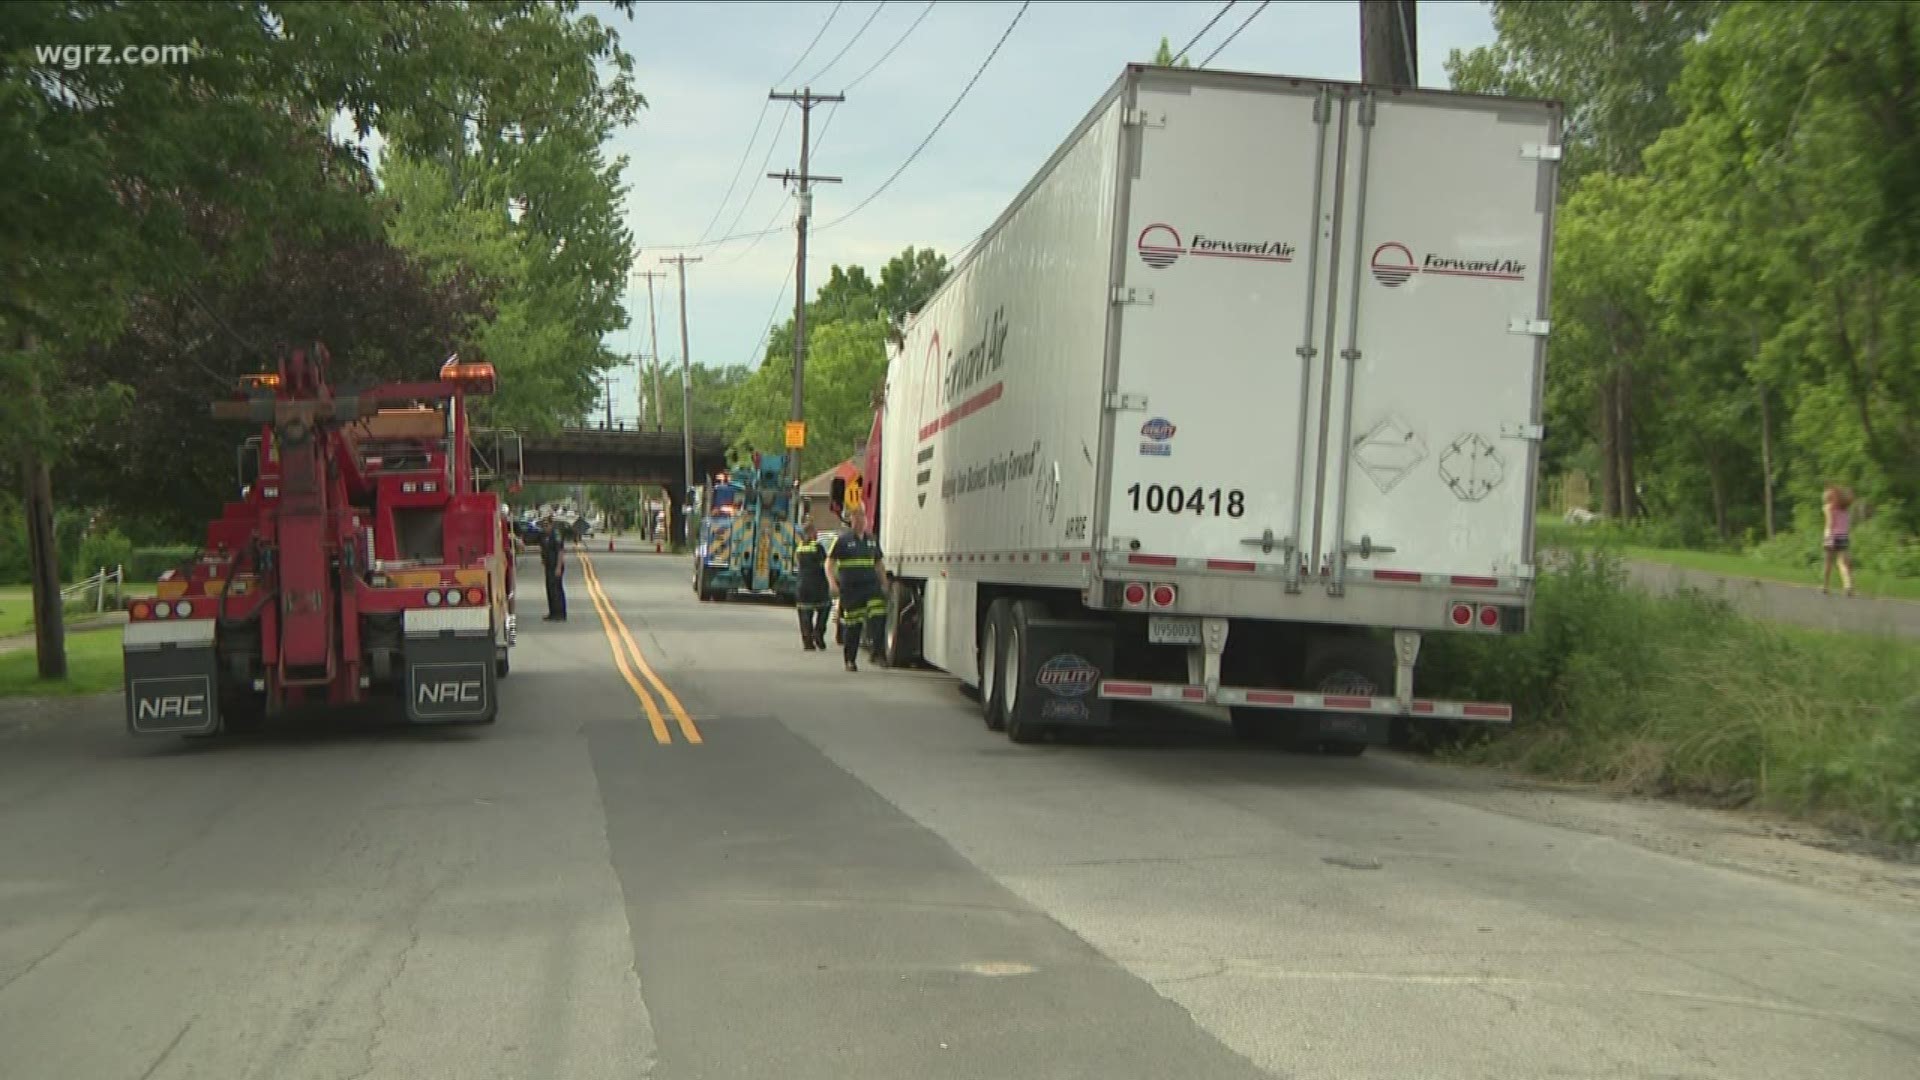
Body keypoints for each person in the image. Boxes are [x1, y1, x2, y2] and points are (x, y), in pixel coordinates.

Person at [824, 512, 887, 672]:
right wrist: (832, 583)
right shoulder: (842, 540)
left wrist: (884, 582)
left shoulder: (872, 540)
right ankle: (850, 660)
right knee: (853, 625)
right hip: (851, 590)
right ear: (851, 522)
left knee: (878, 617)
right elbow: (829, 563)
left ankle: (877, 653)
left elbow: (878, 563)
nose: (860, 522)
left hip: (871, 587)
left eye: (862, 519)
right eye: (856, 520)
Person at [794, 522, 832, 652]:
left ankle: (807, 642)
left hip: (802, 585)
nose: (816, 534)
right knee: (825, 608)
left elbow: (798, 564)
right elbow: (825, 566)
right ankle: (818, 634)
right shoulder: (818, 547)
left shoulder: (799, 548)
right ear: (811, 533)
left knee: (805, 614)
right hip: (818, 585)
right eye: (815, 531)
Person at [1822, 484, 1855, 597]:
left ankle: (1825, 585)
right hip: (1843, 537)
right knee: (1842, 563)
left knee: (1828, 562)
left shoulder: (1828, 508)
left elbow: (1830, 523)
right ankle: (1848, 585)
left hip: (1832, 535)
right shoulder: (1845, 510)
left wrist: (1828, 536)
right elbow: (1847, 525)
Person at [540, 515, 569, 621]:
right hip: (548, 566)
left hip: (556, 565)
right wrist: (543, 559)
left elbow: (560, 551)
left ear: (551, 525)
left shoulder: (556, 534)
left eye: (546, 525)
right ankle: (552, 612)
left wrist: (558, 567)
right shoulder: (544, 535)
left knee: (557, 590)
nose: (545, 527)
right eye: (543, 525)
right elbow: (543, 549)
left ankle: (560, 613)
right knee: (550, 589)